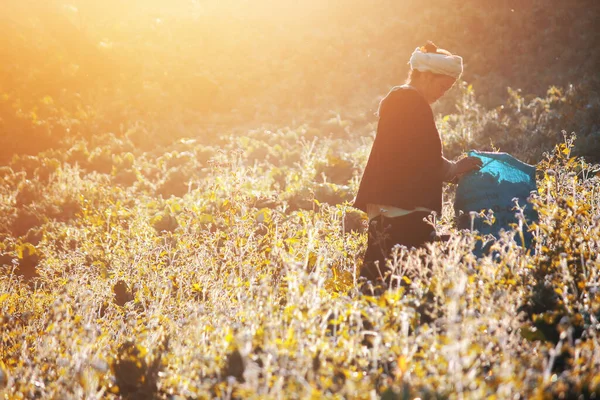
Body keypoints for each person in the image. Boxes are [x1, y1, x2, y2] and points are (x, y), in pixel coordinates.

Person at [353, 41, 482, 286]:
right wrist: (454, 170)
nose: (442, 93)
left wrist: (452, 171)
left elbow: (413, 155)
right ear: (423, 76)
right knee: (407, 280)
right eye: (441, 86)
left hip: (390, 207)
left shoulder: (400, 99)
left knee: (380, 278)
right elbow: (422, 157)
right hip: (402, 208)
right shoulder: (410, 102)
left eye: (447, 89)